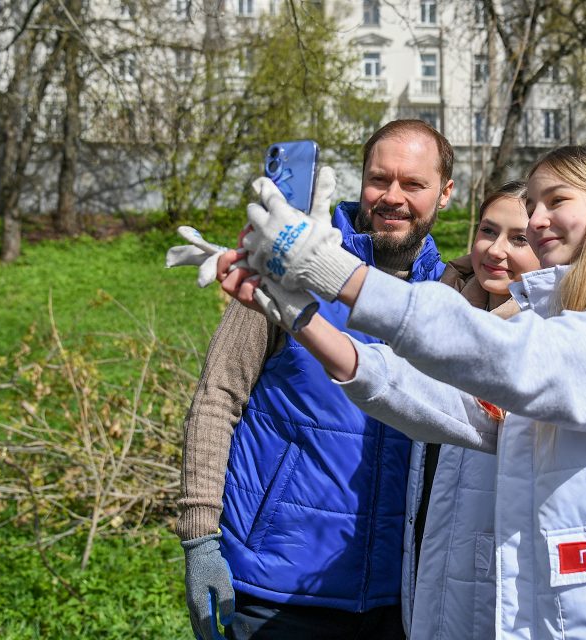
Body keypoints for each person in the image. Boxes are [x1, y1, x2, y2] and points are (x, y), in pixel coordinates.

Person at [221, 144, 586, 638]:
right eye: (533, 204)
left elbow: (518, 360)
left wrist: (336, 271)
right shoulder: (554, 326)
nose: (537, 219)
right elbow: (447, 403)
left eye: (556, 201)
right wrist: (303, 319)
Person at [176, 119, 454, 640]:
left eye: (413, 184)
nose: (392, 197)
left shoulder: (448, 297)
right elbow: (218, 396)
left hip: (398, 598)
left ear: (444, 193)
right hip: (274, 588)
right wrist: (200, 539)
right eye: (379, 179)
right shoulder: (289, 265)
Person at [406, 181, 540, 638]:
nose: (496, 250)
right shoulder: (447, 313)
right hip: (430, 557)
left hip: (498, 582)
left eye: (518, 239)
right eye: (488, 231)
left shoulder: (544, 340)